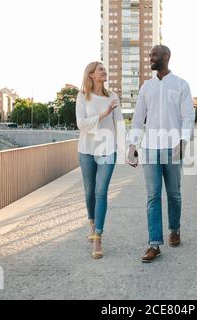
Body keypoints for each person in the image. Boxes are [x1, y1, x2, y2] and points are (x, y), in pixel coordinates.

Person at [128, 45, 195, 263]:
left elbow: (187, 116)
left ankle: (174, 229)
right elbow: (138, 118)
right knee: (153, 195)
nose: (151, 58)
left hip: (173, 147)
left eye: (154, 55)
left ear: (166, 56)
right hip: (149, 148)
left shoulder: (181, 85)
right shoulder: (146, 87)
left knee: (174, 193)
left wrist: (183, 142)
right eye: (150, 55)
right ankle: (154, 244)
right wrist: (132, 145)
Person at [76, 61, 124, 259]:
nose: (104, 72)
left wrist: (128, 150)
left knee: (101, 191)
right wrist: (103, 114)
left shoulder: (113, 97)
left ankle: (98, 236)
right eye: (101, 69)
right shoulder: (82, 96)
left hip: (107, 149)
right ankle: (92, 222)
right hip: (86, 149)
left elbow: (119, 124)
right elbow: (81, 123)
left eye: (105, 69)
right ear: (92, 75)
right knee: (90, 192)